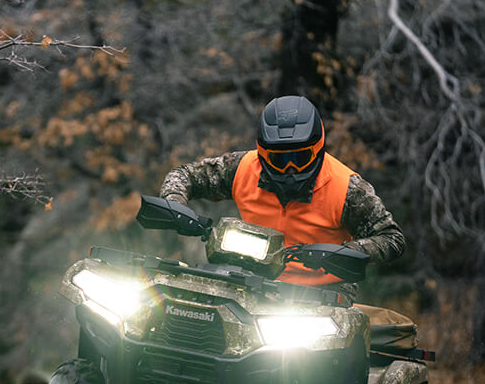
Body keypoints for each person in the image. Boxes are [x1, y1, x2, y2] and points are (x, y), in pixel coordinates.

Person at [160, 95, 405, 297]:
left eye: (299, 159)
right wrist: (175, 204)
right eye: (279, 159)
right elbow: (185, 176)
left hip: (326, 292)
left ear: (318, 149)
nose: (290, 169)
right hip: (251, 281)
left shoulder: (348, 188)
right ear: (263, 154)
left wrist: (347, 252)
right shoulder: (243, 168)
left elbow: (392, 239)